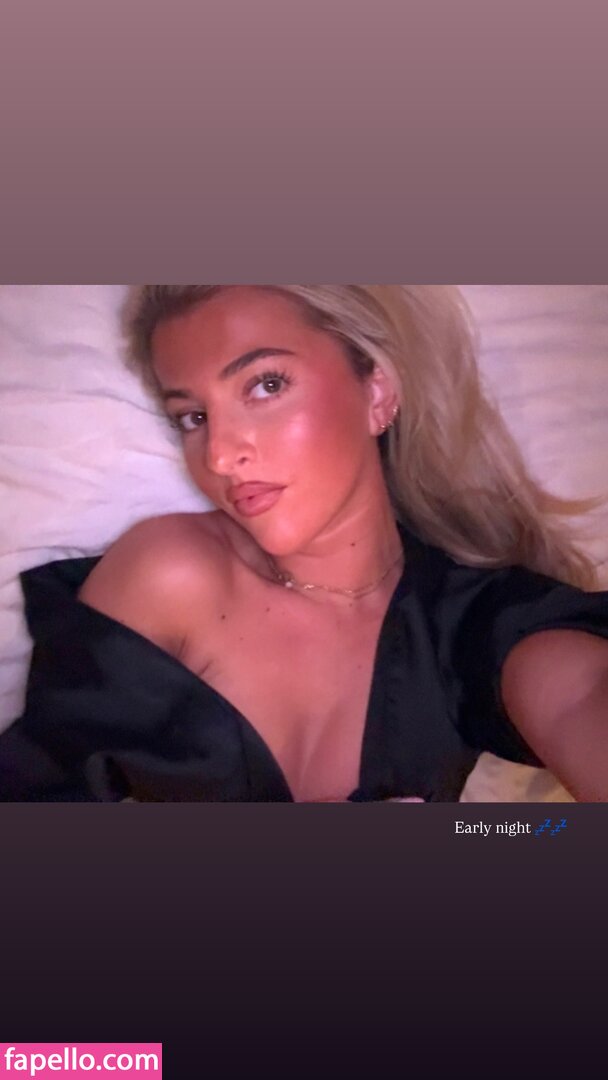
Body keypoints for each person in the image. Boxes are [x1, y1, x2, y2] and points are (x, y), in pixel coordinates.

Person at [1, 285, 607, 802]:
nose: (220, 455)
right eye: (193, 417)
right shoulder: (172, 575)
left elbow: (548, 805)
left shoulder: (479, 623)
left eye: (265, 385)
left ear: (377, 392)